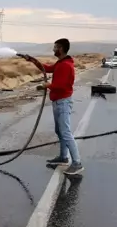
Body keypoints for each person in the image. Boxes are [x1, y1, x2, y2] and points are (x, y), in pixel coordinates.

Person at [21, 38, 83, 176]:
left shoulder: (66, 65)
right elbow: (47, 69)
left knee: (66, 133)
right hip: (58, 101)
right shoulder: (61, 63)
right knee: (60, 131)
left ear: (61, 48)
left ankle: (77, 163)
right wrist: (32, 60)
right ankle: (63, 157)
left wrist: (46, 85)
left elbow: (62, 85)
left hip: (63, 102)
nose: (53, 49)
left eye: (55, 47)